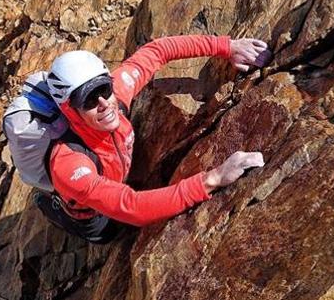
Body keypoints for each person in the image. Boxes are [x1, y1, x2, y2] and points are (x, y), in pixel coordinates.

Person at [34, 35, 271, 243]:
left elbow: (158, 51)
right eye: (89, 100)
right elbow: (133, 207)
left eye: (104, 90)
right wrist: (213, 179)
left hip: (116, 171)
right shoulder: (69, 164)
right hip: (88, 211)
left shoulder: (116, 95)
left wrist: (226, 46)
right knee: (106, 234)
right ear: (69, 110)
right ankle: (51, 207)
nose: (105, 104)